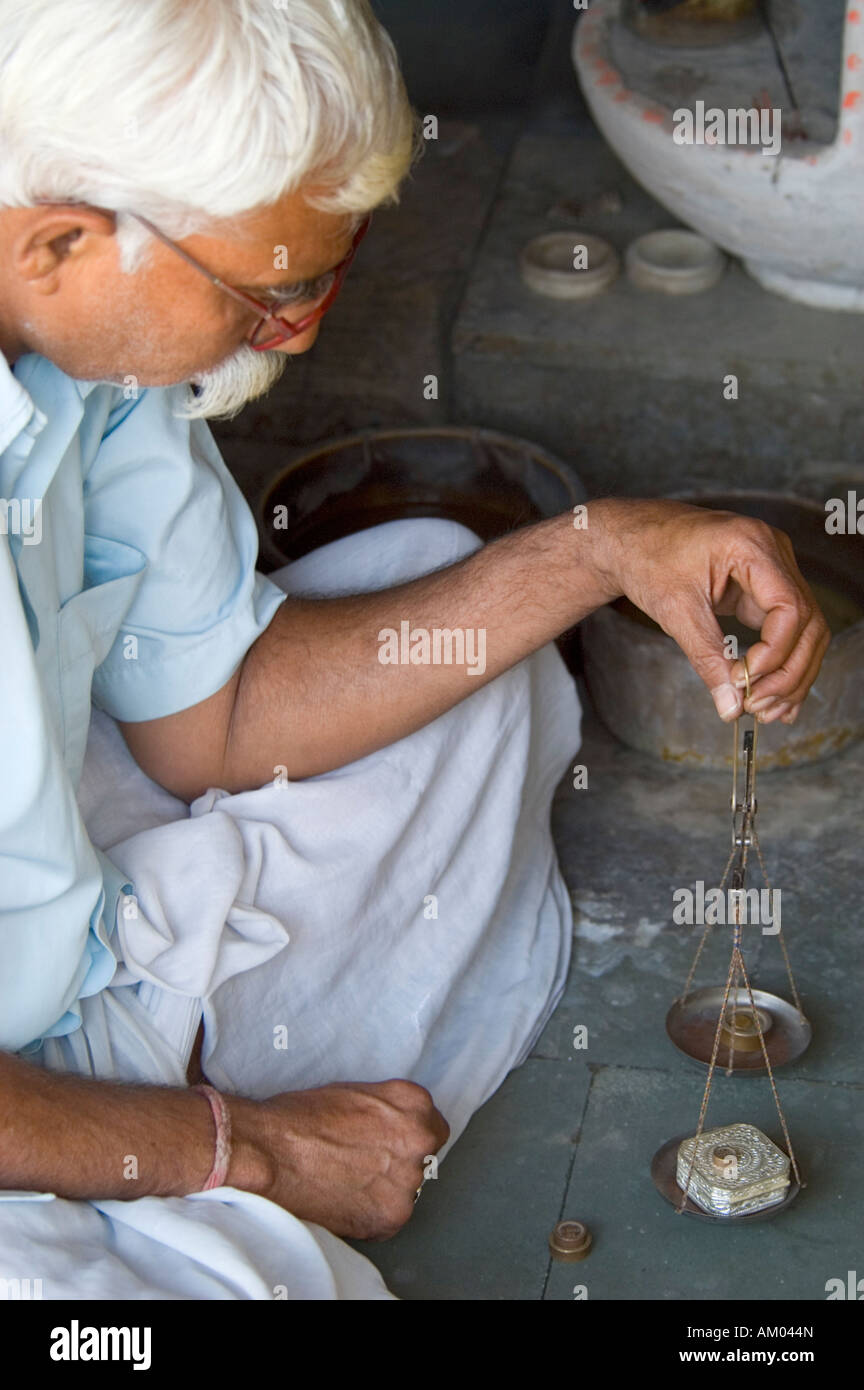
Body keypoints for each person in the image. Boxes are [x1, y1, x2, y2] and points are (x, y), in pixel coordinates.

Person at [0, 0, 828, 1301]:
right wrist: (251, 1146)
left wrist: (601, 548)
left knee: (460, 647)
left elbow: (215, 724)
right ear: (58, 242)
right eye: (264, 297)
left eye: (321, 279)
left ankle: (172, 1100)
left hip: (68, 961)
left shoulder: (85, 350)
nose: (300, 337)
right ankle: (176, 1145)